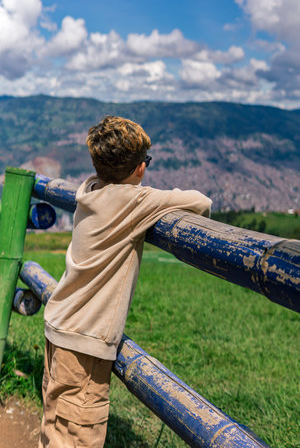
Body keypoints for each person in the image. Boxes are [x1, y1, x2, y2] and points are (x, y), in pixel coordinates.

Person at [39, 116, 212, 447]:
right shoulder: (133, 202)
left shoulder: (89, 191)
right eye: (146, 161)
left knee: (54, 429)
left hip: (59, 327)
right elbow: (202, 202)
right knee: (77, 436)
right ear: (140, 169)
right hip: (84, 345)